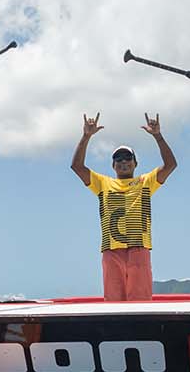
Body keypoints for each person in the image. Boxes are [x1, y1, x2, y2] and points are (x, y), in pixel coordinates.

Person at [70, 112, 177, 300]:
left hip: (139, 248)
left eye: (128, 158)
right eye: (118, 159)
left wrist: (158, 136)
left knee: (140, 302)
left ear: (135, 163)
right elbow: (77, 167)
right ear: (113, 166)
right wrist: (86, 136)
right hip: (111, 251)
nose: (123, 161)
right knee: (113, 303)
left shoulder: (145, 182)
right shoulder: (102, 183)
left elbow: (170, 165)